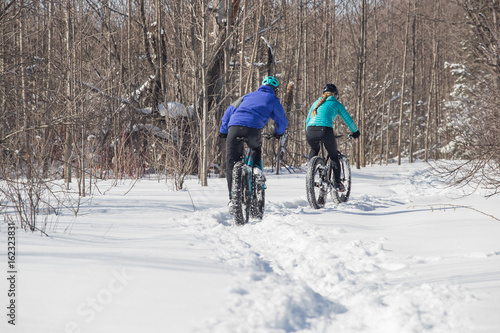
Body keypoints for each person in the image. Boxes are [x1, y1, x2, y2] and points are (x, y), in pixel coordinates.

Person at [219, 76, 288, 202]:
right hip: (253, 130)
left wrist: (223, 130)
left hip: (233, 128)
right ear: (276, 90)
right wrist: (278, 133)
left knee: (231, 162)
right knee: (255, 150)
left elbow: (229, 111)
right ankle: (257, 172)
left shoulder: (247, 96)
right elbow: (281, 120)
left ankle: (232, 198)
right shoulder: (273, 99)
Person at [305, 83, 360, 191]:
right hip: (325, 130)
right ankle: (338, 183)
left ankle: (310, 174)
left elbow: (308, 120)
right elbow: (348, 119)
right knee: (334, 156)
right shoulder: (336, 103)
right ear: (335, 94)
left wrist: (310, 131)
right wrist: (355, 131)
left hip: (310, 131)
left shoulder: (316, 103)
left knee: (314, 149)